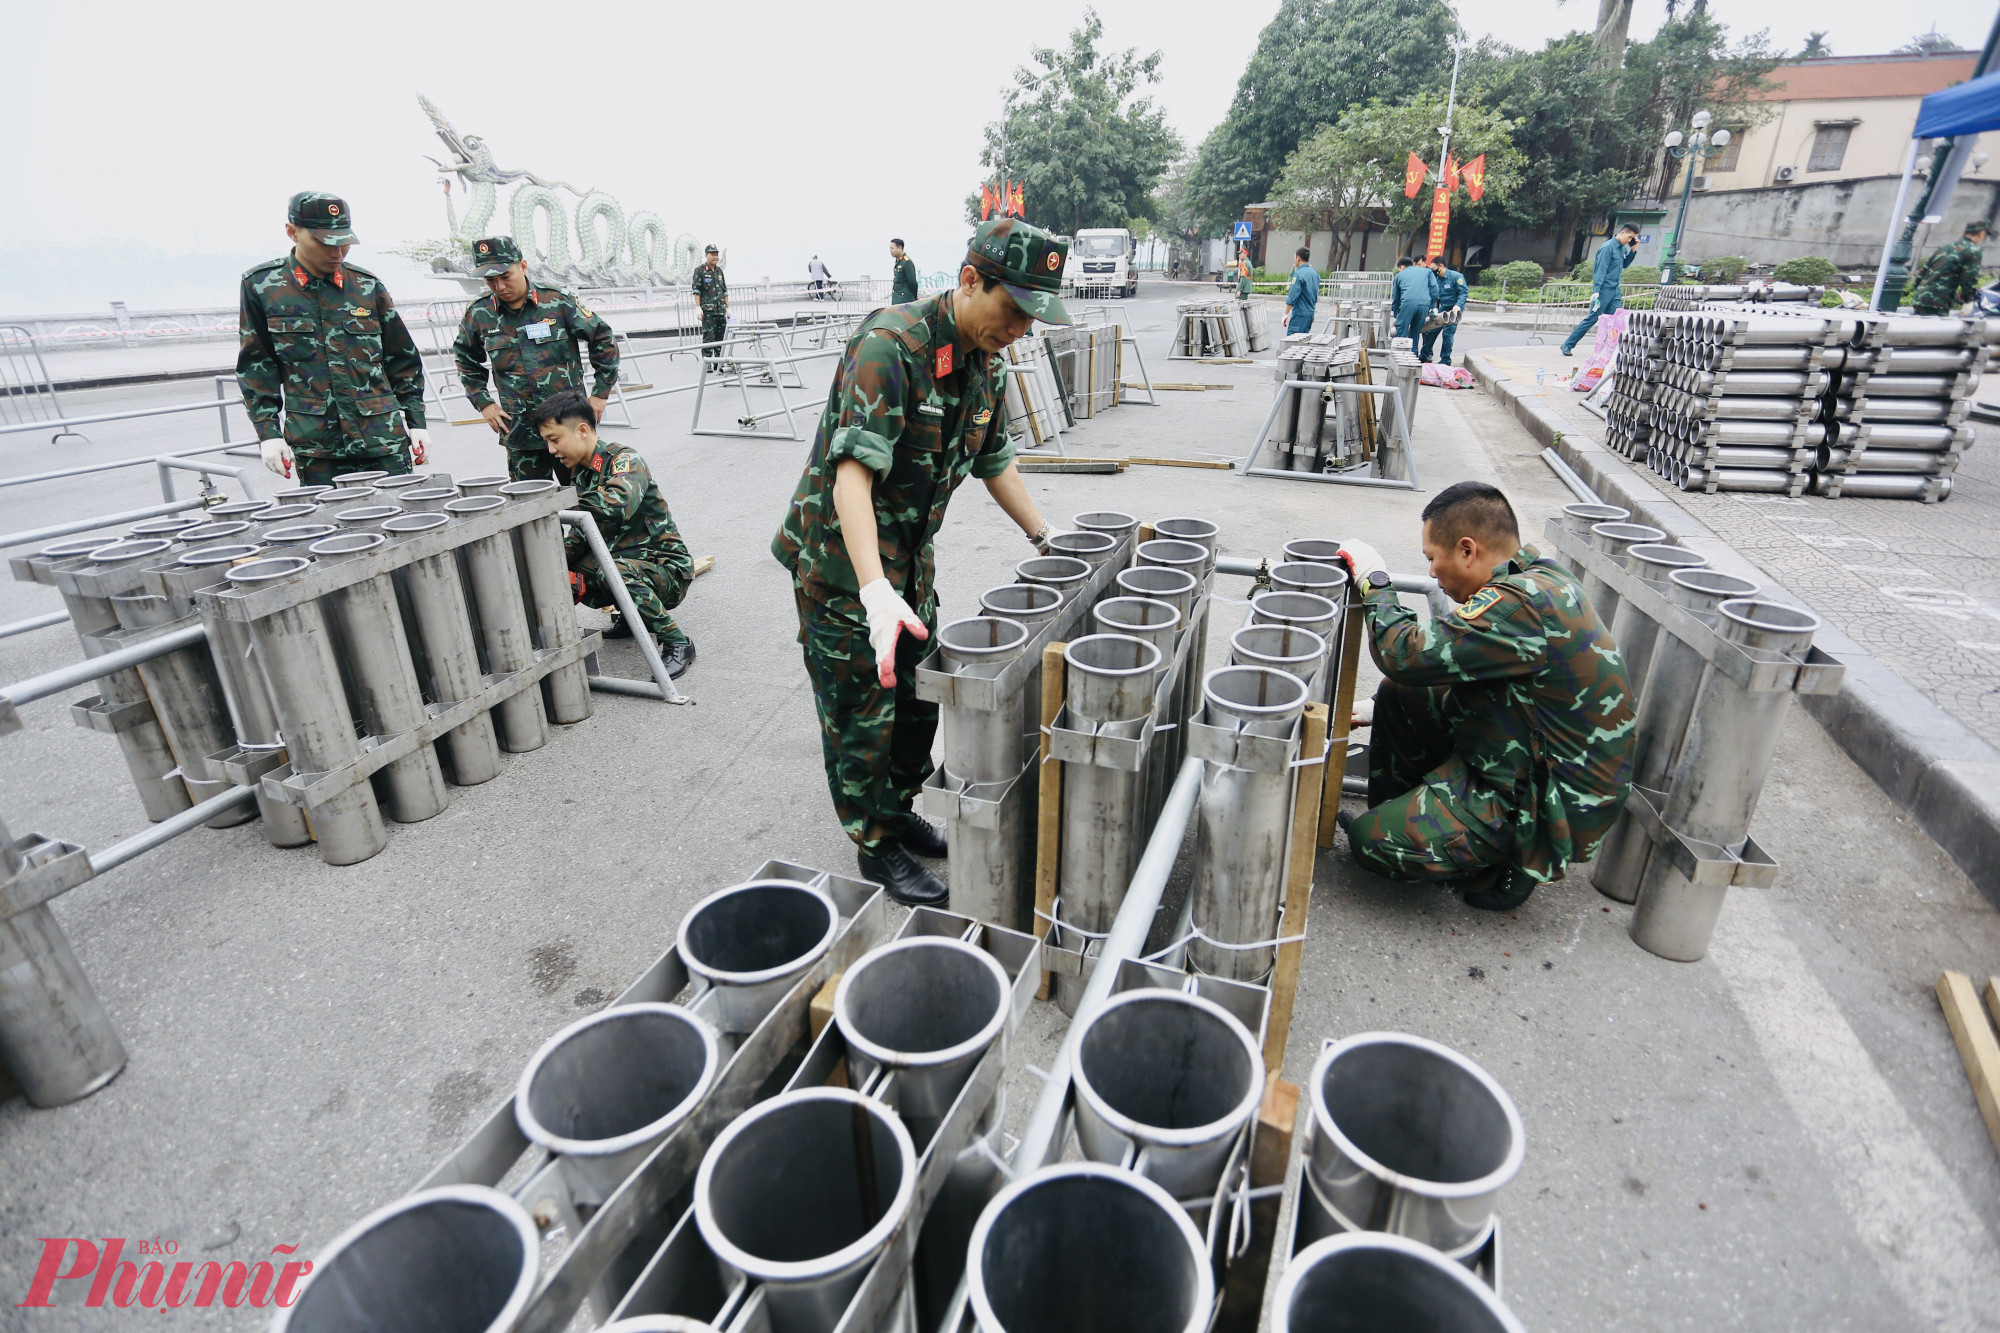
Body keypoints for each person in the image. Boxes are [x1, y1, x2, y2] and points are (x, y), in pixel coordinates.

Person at [772, 217, 1065, 905]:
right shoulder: (890, 346)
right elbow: (852, 479)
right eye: (1013, 309)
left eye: (1033, 317)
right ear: (970, 281)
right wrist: (874, 594)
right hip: (845, 569)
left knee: (916, 701)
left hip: (907, 561)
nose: (1020, 328)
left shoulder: (982, 363)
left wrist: (1046, 536)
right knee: (861, 711)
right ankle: (874, 841)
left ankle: (898, 807)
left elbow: (997, 462)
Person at [1334, 482, 1636, 912]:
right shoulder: (1535, 576)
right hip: (1536, 753)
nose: (1433, 573)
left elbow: (1404, 653)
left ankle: (1515, 857)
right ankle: (1413, 812)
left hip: (1551, 803)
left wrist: (1374, 581)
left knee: (1372, 843)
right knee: (1400, 693)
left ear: (1467, 550)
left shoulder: (1520, 605)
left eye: (1433, 559)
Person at [239, 192, 429, 486]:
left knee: (402, 522)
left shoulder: (366, 286)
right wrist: (268, 433)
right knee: (333, 528)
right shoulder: (263, 286)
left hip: (382, 438)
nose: (337, 253)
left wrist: (416, 422)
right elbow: (257, 366)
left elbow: (402, 358)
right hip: (318, 446)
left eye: (344, 242)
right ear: (292, 232)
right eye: (324, 241)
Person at [531, 389, 697, 677]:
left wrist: (556, 501)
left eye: (555, 440)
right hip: (629, 561)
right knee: (555, 566)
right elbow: (583, 534)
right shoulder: (582, 474)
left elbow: (616, 505)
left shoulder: (624, 459)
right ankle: (633, 618)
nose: (551, 450)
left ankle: (677, 642)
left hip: (666, 569)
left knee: (614, 571)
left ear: (582, 429)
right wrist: (551, 562)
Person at [453, 236, 619, 482]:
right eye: (490, 280)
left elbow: (603, 339)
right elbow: (466, 360)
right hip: (520, 429)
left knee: (584, 498)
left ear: (522, 266)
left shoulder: (557, 300)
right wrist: (484, 403)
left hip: (568, 426)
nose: (499, 286)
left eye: (505, 276)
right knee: (531, 505)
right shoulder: (479, 312)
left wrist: (600, 394)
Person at [1560, 224, 1637, 356]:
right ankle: (1568, 344)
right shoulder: (1608, 248)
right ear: (1623, 232)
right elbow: (1600, 270)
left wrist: (1633, 250)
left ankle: (1609, 349)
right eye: (1629, 237)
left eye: (1632, 239)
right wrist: (1596, 291)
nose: (1629, 240)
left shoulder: (1621, 249)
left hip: (1615, 290)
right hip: (1603, 290)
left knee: (1616, 320)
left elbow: (1624, 265)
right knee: (1592, 318)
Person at [1909, 219, 1990, 316]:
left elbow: (1923, 272)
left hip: (1919, 298)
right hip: (1938, 301)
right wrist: (1969, 301)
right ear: (1981, 234)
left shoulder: (1945, 247)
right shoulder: (1973, 251)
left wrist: (1917, 291)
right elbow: (1969, 279)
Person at [1420, 255, 1467, 366]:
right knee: (1431, 331)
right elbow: (1434, 294)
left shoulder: (1456, 276)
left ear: (1440, 266)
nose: (1432, 271)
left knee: (1447, 334)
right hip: (1443, 307)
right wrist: (1433, 308)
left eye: (1433, 269)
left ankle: (1445, 359)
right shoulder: (1436, 278)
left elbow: (1463, 293)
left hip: (1454, 310)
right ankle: (1423, 356)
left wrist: (1458, 306)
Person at [692, 244, 728, 367]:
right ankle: (707, 363)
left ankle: (719, 363)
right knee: (708, 338)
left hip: (720, 310)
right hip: (708, 311)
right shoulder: (700, 271)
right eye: (712, 254)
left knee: (720, 338)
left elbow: (724, 291)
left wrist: (728, 308)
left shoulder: (719, 271)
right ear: (706, 255)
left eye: (716, 254)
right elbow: (697, 291)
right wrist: (698, 308)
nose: (715, 257)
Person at [1390, 256, 1436, 345]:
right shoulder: (1427, 271)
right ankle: (1413, 354)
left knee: (1401, 332)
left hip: (1408, 303)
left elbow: (1396, 297)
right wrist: (1432, 306)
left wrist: (1396, 315)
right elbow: (1434, 290)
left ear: (1401, 267)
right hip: (1424, 304)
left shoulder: (1399, 275)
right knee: (1415, 332)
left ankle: (1401, 355)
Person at [1283, 246, 1319, 335]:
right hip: (1309, 314)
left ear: (1298, 258)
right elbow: (1314, 296)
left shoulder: (1298, 274)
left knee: (1292, 343)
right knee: (1302, 343)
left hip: (1300, 314)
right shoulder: (1314, 274)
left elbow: (1293, 296)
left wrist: (1285, 314)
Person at [890, 239, 920, 305]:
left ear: (900, 248)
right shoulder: (899, 261)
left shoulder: (906, 262)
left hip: (905, 299)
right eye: (890, 248)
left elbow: (912, 282)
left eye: (892, 248)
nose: (891, 250)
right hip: (897, 299)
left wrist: (914, 296)